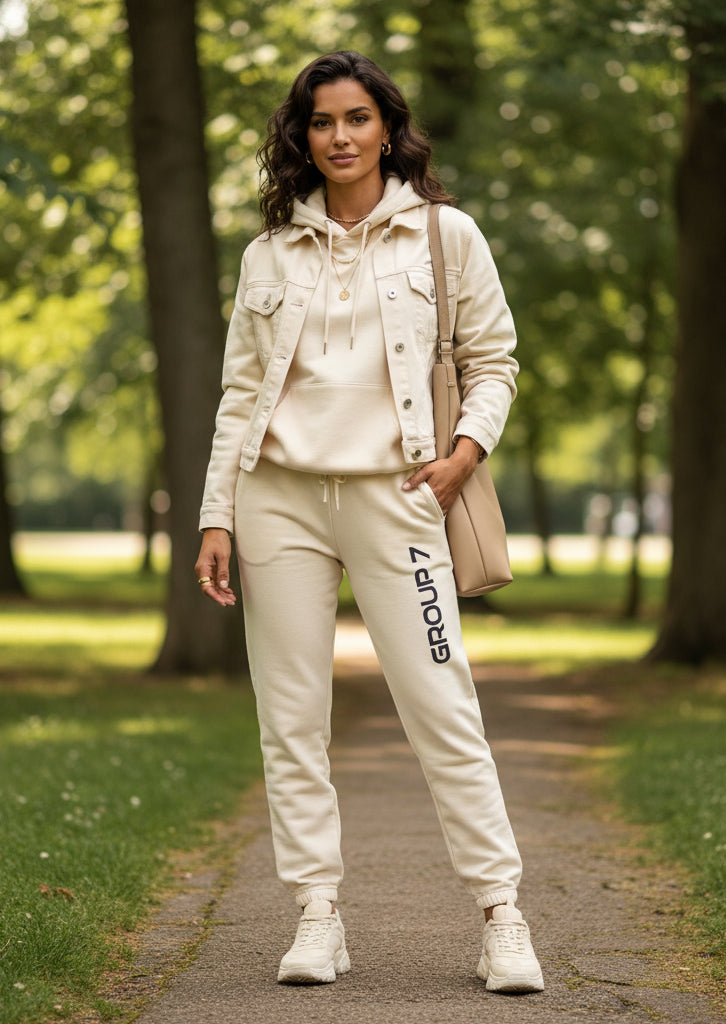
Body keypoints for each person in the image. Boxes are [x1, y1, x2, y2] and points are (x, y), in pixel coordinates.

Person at [194, 50, 543, 994]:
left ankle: (502, 916)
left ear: (387, 127)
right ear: (300, 138)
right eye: (320, 123)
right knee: (291, 718)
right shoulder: (267, 253)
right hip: (278, 501)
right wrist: (216, 513)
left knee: (443, 707)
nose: (339, 137)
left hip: (402, 498)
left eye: (356, 119)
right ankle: (316, 916)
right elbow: (237, 394)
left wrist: (462, 456)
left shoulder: (446, 235)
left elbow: (495, 361)